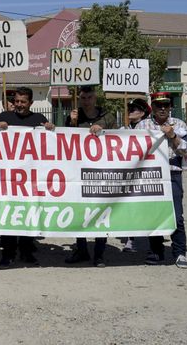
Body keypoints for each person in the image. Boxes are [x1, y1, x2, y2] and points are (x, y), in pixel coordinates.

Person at [0, 86, 55, 269]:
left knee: (29, 215)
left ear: (31, 103)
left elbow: (51, 145)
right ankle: (8, 254)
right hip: (9, 177)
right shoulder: (4, 116)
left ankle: (27, 253)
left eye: (23, 102)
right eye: (16, 101)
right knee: (9, 215)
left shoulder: (39, 119)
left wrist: (51, 129)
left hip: (31, 178)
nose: (19, 104)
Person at [135, 92, 187, 269]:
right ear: (152, 106)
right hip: (151, 175)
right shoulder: (142, 125)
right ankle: (156, 251)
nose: (162, 108)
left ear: (170, 106)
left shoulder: (179, 124)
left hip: (172, 173)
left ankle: (180, 252)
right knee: (154, 215)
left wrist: (173, 136)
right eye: (158, 105)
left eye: (165, 105)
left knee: (177, 215)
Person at [64, 86, 117, 267]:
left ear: (95, 98)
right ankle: (81, 250)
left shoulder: (108, 117)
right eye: (83, 98)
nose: (86, 101)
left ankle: (99, 254)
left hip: (101, 171)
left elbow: (119, 139)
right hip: (78, 172)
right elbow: (64, 141)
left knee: (101, 211)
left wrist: (103, 131)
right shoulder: (73, 116)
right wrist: (72, 124)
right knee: (80, 211)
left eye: (89, 97)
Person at [119, 98, 151, 253]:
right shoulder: (123, 129)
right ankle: (131, 239)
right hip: (128, 173)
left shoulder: (149, 129)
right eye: (129, 109)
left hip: (145, 173)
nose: (130, 111)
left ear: (142, 113)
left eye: (134, 109)